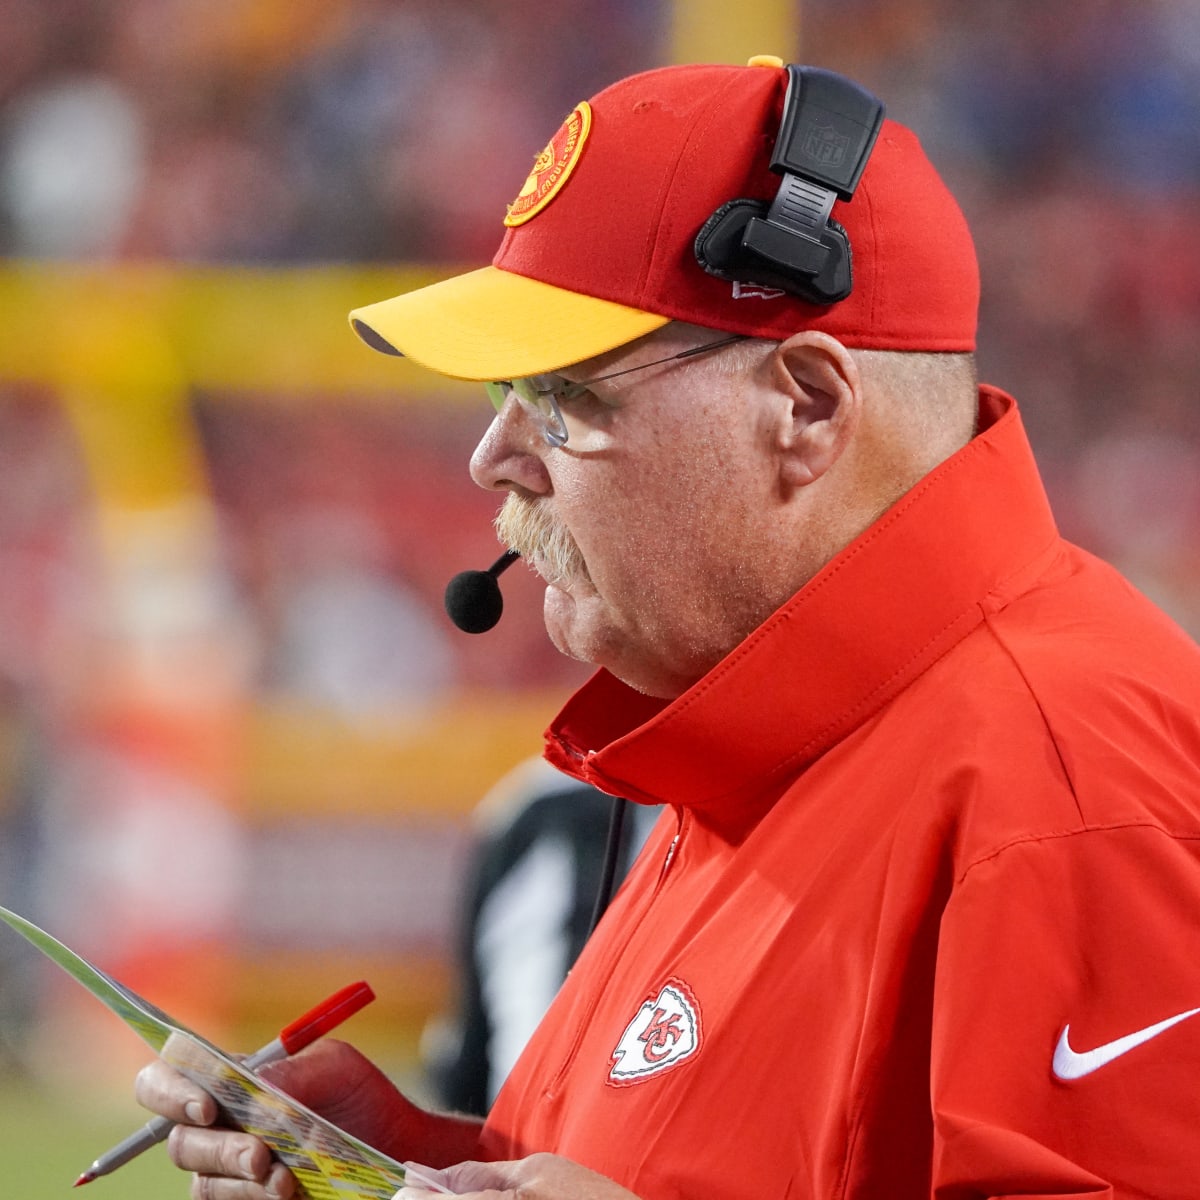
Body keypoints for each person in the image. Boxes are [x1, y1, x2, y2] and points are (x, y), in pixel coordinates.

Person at [134, 56, 1200, 1200]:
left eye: (562, 396)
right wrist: (406, 1170)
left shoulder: (1073, 781)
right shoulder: (779, 734)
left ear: (807, 407)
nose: (492, 458)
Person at [423, 757, 657, 1117]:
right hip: (640, 1140)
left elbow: (466, 1065)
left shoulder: (536, 800)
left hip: (527, 1137)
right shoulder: (544, 804)